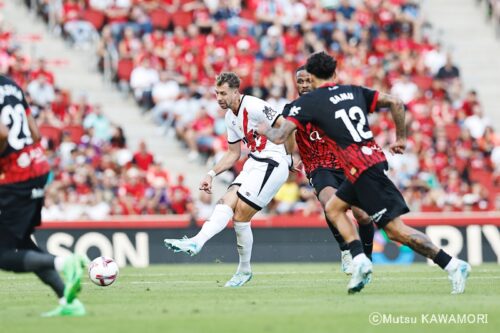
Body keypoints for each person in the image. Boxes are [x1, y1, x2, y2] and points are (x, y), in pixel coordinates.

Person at [259, 52, 471, 294]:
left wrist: (264, 129)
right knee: (334, 208)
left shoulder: (309, 102)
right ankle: (359, 259)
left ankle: (452, 265)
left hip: (363, 170)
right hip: (366, 163)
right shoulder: (354, 91)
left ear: (314, 77)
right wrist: (401, 138)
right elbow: (396, 103)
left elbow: (278, 136)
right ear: (335, 74)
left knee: (397, 232)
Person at [164, 72, 293, 287]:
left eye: (223, 93)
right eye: (216, 93)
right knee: (225, 202)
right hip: (254, 162)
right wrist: (211, 174)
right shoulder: (229, 117)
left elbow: (286, 126)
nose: (219, 98)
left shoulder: (253, 105)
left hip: (273, 161)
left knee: (241, 216)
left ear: (236, 92)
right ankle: (197, 242)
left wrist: (289, 158)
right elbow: (233, 153)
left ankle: (243, 270)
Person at [0, 75, 87, 316]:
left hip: (16, 176)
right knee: (21, 241)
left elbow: (2, 134)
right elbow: (36, 134)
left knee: (3, 255)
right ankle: (68, 301)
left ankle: (63, 263)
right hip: (37, 168)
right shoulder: (10, 85)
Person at [282, 66, 375, 274]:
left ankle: (366, 260)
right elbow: (287, 139)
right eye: (300, 81)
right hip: (319, 166)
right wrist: (289, 156)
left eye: (308, 81)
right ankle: (346, 250)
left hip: (346, 164)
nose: (304, 85)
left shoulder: (334, 102)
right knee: (331, 203)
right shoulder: (291, 109)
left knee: (363, 216)